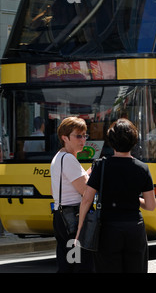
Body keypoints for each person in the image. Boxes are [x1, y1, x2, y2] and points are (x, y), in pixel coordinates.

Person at [76, 118, 156, 273]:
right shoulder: (143, 168)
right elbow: (151, 206)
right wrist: (133, 199)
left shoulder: (101, 165)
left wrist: (80, 228)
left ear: (111, 142)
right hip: (134, 229)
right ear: (134, 141)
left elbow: (87, 199)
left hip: (108, 230)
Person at [50, 116, 94, 272]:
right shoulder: (68, 159)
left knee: (68, 262)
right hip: (73, 218)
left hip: (63, 216)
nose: (83, 140)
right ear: (65, 138)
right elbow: (85, 191)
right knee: (80, 264)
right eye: (78, 136)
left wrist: (90, 172)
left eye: (84, 135)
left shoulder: (60, 157)